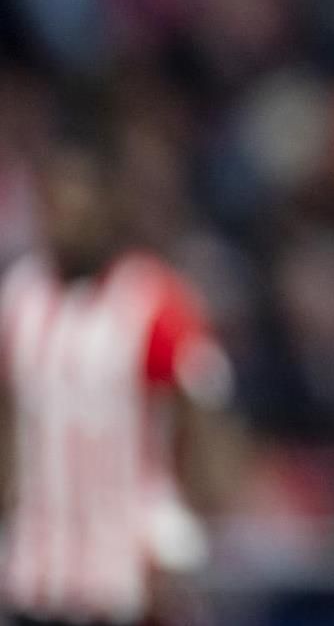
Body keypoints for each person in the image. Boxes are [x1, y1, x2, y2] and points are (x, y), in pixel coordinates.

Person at [0, 140, 231, 626]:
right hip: (37, 562)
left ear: (108, 210)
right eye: (56, 207)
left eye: (80, 208)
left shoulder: (149, 300)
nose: (67, 222)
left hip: (127, 563)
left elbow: (202, 411)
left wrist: (180, 525)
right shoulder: (20, 298)